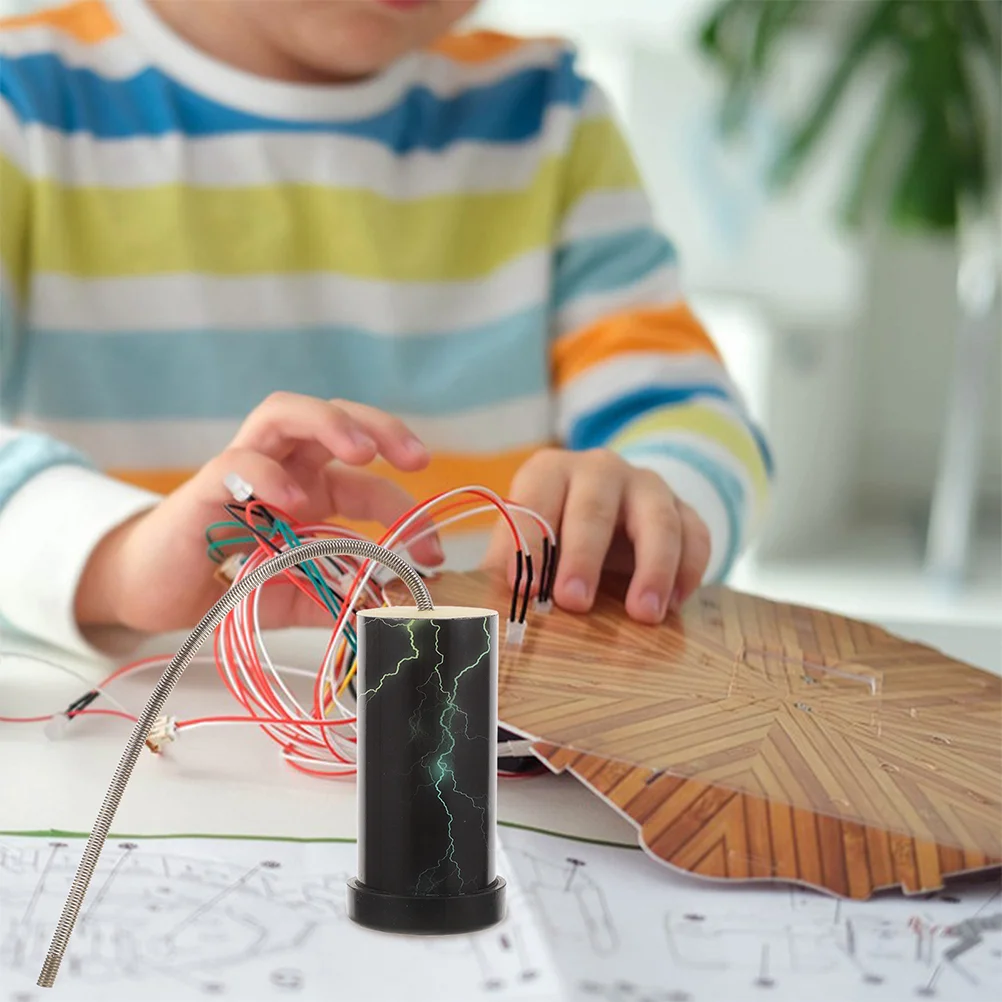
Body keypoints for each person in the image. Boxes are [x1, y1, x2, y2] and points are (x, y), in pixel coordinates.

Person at [0, 0, 772, 657]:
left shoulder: (547, 118)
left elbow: (693, 412)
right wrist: (118, 559)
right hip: (135, 754)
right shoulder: (23, 98)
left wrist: (657, 502)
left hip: (483, 768)